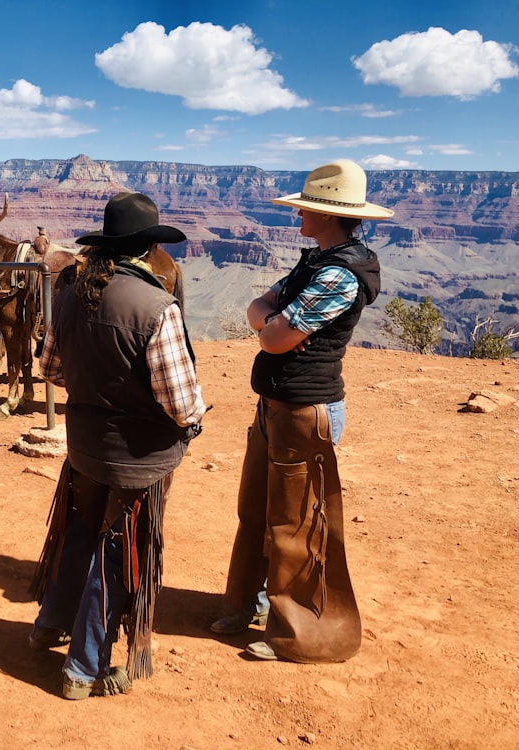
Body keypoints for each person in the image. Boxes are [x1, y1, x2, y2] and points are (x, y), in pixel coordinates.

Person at [210, 159, 393, 662]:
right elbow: (261, 310)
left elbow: (271, 334)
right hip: (275, 404)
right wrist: (272, 322)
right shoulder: (315, 261)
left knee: (295, 524)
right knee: (256, 511)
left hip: (307, 410)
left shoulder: (339, 274)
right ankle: (245, 604)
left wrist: (271, 324)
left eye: (306, 209)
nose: (298, 218)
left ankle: (299, 633)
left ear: (329, 216)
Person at [28, 192, 207, 699]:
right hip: (140, 459)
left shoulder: (68, 296)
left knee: (81, 529)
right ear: (151, 247)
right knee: (119, 551)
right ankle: (83, 668)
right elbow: (181, 404)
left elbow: (51, 371)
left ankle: (49, 623)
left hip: (84, 447)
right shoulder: (157, 307)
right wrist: (193, 423)